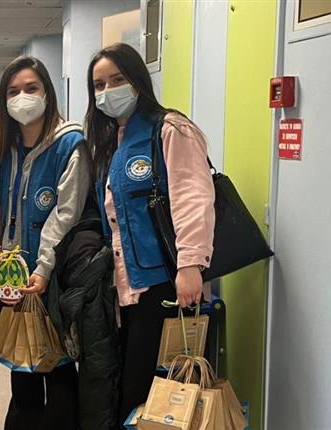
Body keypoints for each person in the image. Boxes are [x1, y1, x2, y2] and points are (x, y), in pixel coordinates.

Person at [83, 43, 215, 420]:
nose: (108, 91)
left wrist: (190, 265)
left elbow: (192, 196)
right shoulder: (111, 140)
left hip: (166, 283)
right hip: (126, 288)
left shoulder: (169, 129)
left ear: (137, 80)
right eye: (99, 85)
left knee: (157, 394)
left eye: (117, 80)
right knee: (133, 391)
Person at [0, 56, 90, 430]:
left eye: (31, 88)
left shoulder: (70, 144)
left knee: (57, 366)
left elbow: (66, 213)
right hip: (11, 277)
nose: (22, 98)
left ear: (48, 92)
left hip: (53, 275)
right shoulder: (3, 146)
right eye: (13, 92)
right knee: (21, 363)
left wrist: (43, 268)